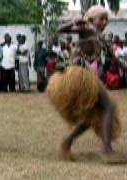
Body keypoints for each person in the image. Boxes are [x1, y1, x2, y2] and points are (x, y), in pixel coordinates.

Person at [48, 5, 127, 164]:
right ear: (91, 19)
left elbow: (113, 57)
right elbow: (59, 31)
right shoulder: (85, 29)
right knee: (109, 107)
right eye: (101, 18)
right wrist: (73, 23)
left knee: (91, 116)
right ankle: (106, 151)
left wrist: (123, 66)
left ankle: (67, 141)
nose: (104, 22)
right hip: (78, 77)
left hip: (87, 78)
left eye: (106, 19)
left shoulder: (100, 37)